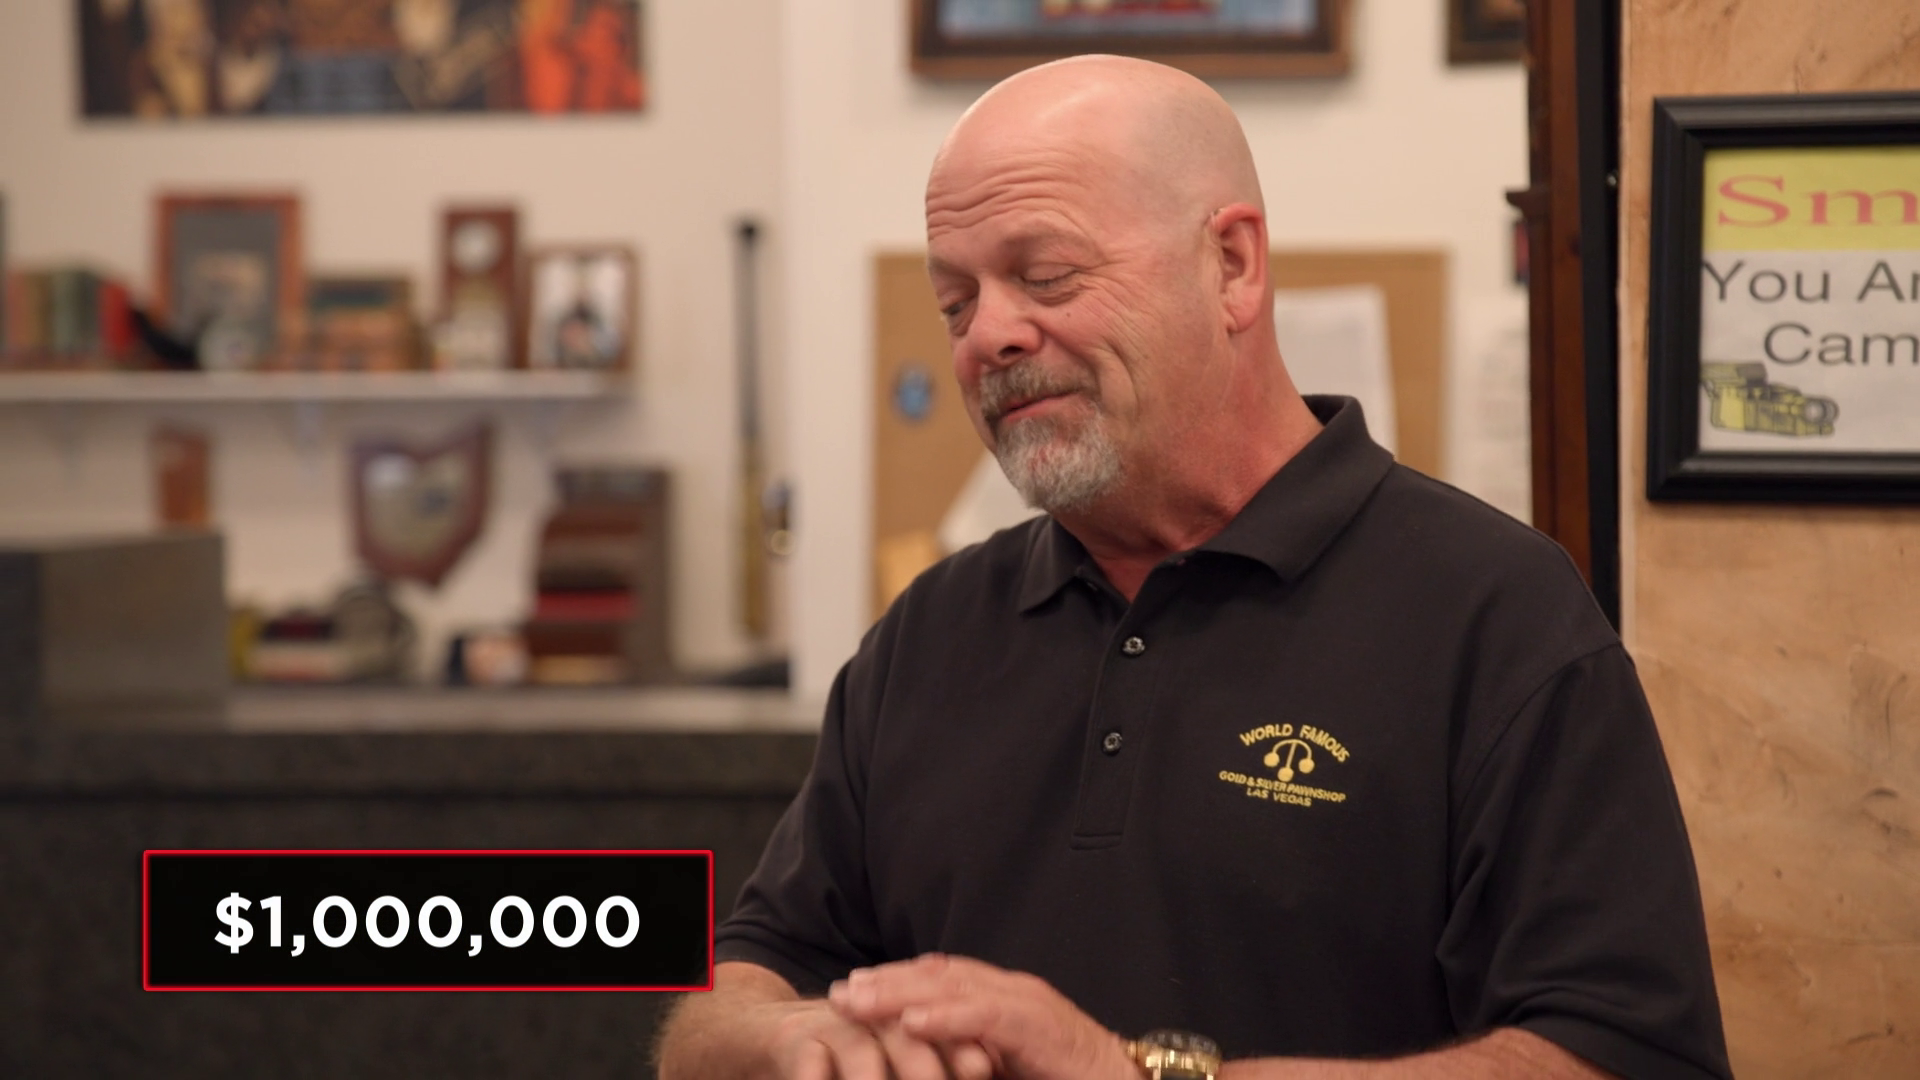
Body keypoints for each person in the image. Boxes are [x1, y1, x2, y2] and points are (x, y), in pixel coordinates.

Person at [659, 55, 1730, 1080]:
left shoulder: (1496, 618)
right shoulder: (929, 633)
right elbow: (732, 995)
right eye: (955, 303)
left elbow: (1624, 1059)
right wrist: (786, 1045)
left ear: (1232, 266)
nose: (989, 335)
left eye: (1045, 275)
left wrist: (1140, 1075)